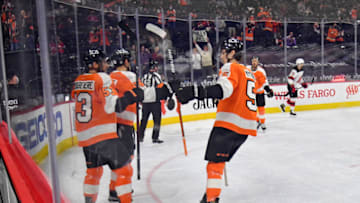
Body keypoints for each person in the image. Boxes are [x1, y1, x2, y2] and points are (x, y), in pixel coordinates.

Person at [175, 38, 258, 203]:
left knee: (214, 164)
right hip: (245, 128)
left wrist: (194, 92)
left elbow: (223, 90)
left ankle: (211, 199)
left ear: (232, 53)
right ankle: (210, 197)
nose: (220, 55)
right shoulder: (249, 72)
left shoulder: (230, 67)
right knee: (218, 162)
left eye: (223, 52)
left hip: (229, 123)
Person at [72, 49, 143, 203]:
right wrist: (132, 95)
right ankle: (123, 199)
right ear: (96, 64)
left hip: (85, 137)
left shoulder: (78, 80)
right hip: (103, 134)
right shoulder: (103, 78)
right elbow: (114, 106)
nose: (106, 65)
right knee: (124, 168)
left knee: (93, 172)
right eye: (103, 62)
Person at [108, 48, 136, 201]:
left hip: (112, 123)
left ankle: (113, 190)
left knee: (117, 158)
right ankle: (122, 189)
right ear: (125, 61)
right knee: (126, 158)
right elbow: (142, 93)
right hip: (125, 123)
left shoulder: (109, 77)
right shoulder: (130, 76)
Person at [139, 59, 170, 143]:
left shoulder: (143, 77)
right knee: (157, 120)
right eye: (156, 66)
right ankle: (155, 137)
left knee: (144, 120)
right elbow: (161, 86)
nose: (157, 68)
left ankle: (140, 137)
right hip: (154, 101)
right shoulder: (156, 76)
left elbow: (140, 88)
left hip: (145, 102)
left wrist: (140, 99)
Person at [250, 56, 273, 131]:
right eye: (253, 61)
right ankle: (257, 121)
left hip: (260, 92)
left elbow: (264, 82)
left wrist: (268, 90)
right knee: (252, 109)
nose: (254, 62)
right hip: (251, 93)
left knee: (261, 108)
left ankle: (262, 122)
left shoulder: (261, 71)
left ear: (258, 62)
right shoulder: (247, 70)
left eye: (255, 61)